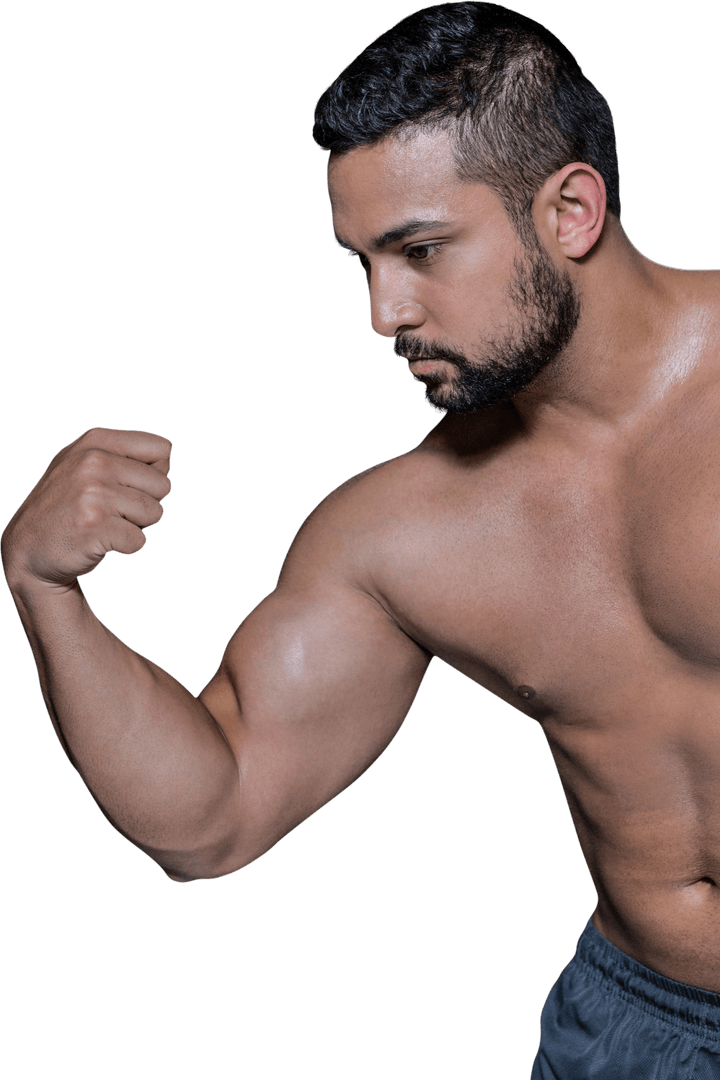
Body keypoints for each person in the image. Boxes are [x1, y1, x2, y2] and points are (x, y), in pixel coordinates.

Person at [3, 1, 720, 1074]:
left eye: (420, 250)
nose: (384, 312)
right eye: (362, 264)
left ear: (572, 210)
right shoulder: (399, 531)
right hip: (637, 1029)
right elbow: (214, 814)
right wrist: (42, 588)